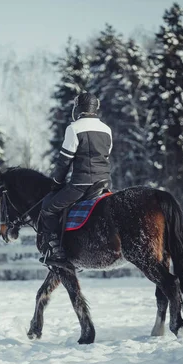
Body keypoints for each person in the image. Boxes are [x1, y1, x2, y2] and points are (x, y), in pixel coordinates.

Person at [39, 92, 113, 266]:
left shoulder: (74, 128)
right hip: (103, 183)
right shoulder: (106, 129)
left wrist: (56, 182)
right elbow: (106, 156)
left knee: (48, 209)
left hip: (81, 184)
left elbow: (64, 161)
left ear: (78, 108)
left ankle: (57, 252)